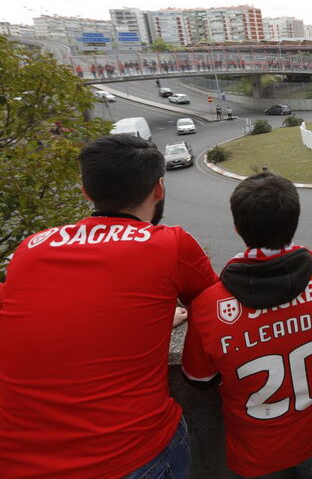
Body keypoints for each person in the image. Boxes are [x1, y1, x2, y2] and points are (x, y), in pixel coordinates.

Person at [0, 134, 218, 478]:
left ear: (87, 192)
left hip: (17, 461)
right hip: (131, 458)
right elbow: (215, 308)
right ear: (159, 189)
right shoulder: (171, 244)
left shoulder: (30, 249)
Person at [181, 172, 312, 478]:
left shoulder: (208, 306)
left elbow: (198, 378)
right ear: (294, 221)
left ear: (236, 227)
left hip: (255, 452)